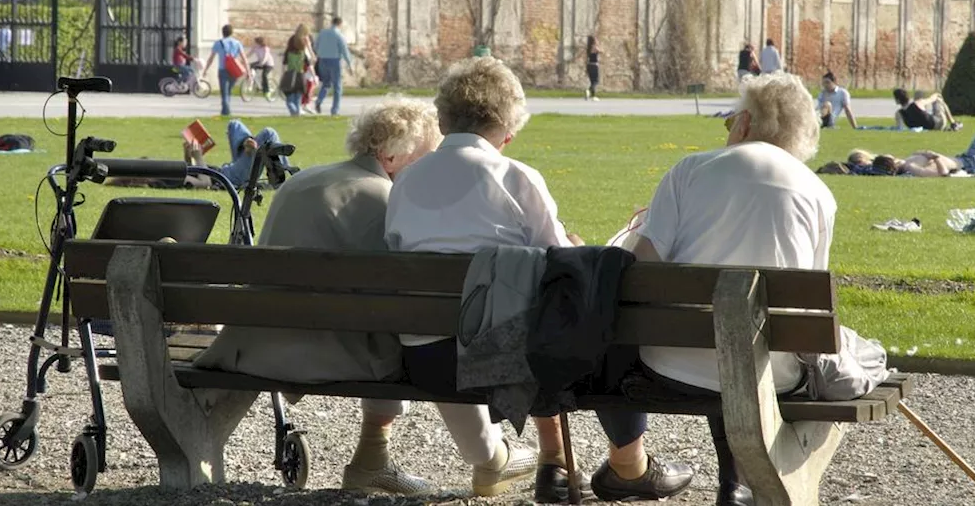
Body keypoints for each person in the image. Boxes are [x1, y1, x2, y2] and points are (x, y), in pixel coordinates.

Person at [385, 57, 694, 503]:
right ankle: (625, 466)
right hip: (496, 361)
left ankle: (557, 462)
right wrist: (576, 243)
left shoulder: (407, 180)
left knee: (522, 304)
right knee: (581, 308)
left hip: (426, 361)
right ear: (506, 130)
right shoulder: (515, 176)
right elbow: (561, 266)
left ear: (445, 117)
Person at [194, 97, 442, 496]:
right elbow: (399, 298)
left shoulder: (302, 180)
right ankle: (372, 460)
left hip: (257, 344)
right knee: (411, 337)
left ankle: (373, 461)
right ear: (394, 155)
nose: (430, 172)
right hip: (323, 353)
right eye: (426, 159)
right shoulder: (383, 198)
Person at [628, 72, 834, 506]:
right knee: (749, 348)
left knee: (726, 343)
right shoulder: (817, 193)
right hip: (771, 372)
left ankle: (731, 481)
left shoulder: (688, 170)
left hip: (672, 363)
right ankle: (744, 481)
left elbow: (643, 270)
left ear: (743, 123)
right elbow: (809, 309)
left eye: (728, 124)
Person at [867, 117, 975, 178]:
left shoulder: (908, 163)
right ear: (891, 162)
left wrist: (923, 153)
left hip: (962, 159)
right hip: (968, 162)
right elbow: (942, 174)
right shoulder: (910, 166)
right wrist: (935, 157)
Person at [183, 119, 290, 190]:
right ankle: (279, 179)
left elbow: (192, 172)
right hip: (231, 178)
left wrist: (188, 156)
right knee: (269, 133)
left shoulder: (172, 173)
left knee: (234, 125)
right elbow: (205, 183)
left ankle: (247, 146)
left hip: (226, 170)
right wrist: (198, 157)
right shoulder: (173, 180)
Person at [203, 24, 247, 116]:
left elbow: (211, 58)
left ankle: (226, 112)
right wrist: (248, 72)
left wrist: (205, 69)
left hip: (223, 69)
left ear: (222, 32)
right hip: (234, 70)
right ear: (231, 32)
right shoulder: (237, 43)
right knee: (228, 91)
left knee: (224, 92)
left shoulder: (218, 43)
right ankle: (224, 111)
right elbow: (244, 58)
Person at [315, 16, 353, 116]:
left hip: (322, 60)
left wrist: (319, 54)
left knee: (326, 84)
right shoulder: (339, 35)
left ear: (332, 22)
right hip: (334, 61)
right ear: (340, 24)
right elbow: (344, 50)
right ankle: (334, 110)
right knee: (337, 87)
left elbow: (315, 46)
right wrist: (350, 64)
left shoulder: (322, 33)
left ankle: (319, 100)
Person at [281, 26, 314, 116]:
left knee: (289, 100)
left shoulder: (288, 53)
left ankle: (295, 113)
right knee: (297, 98)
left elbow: (284, 64)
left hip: (290, 76)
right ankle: (297, 113)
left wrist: (283, 75)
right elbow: (311, 61)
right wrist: (309, 47)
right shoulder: (303, 54)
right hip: (301, 76)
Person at [893, 88, 958, 131]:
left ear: (898, 100)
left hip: (926, 128)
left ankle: (950, 126)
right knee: (938, 100)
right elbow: (932, 99)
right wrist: (937, 94)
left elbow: (899, 128)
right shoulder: (918, 103)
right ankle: (953, 123)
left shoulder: (899, 113)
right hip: (938, 123)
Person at [585, 36, 601, 101]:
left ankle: (593, 95)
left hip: (589, 65)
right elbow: (601, 51)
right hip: (594, 66)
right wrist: (597, 45)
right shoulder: (594, 47)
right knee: (596, 81)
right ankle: (589, 91)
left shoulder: (588, 48)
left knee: (592, 81)